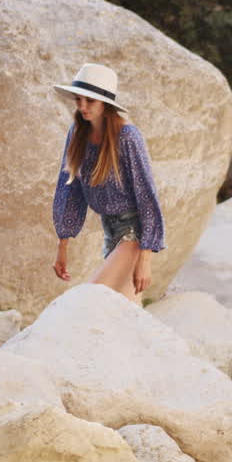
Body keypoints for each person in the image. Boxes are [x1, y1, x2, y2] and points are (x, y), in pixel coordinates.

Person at [51, 63, 165, 302]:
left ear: (105, 103)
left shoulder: (127, 137)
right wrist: (63, 246)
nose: (82, 106)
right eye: (79, 99)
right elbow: (69, 190)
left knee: (92, 300)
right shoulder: (77, 133)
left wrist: (145, 259)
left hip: (133, 233)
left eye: (89, 101)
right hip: (110, 231)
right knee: (122, 316)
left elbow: (147, 195)